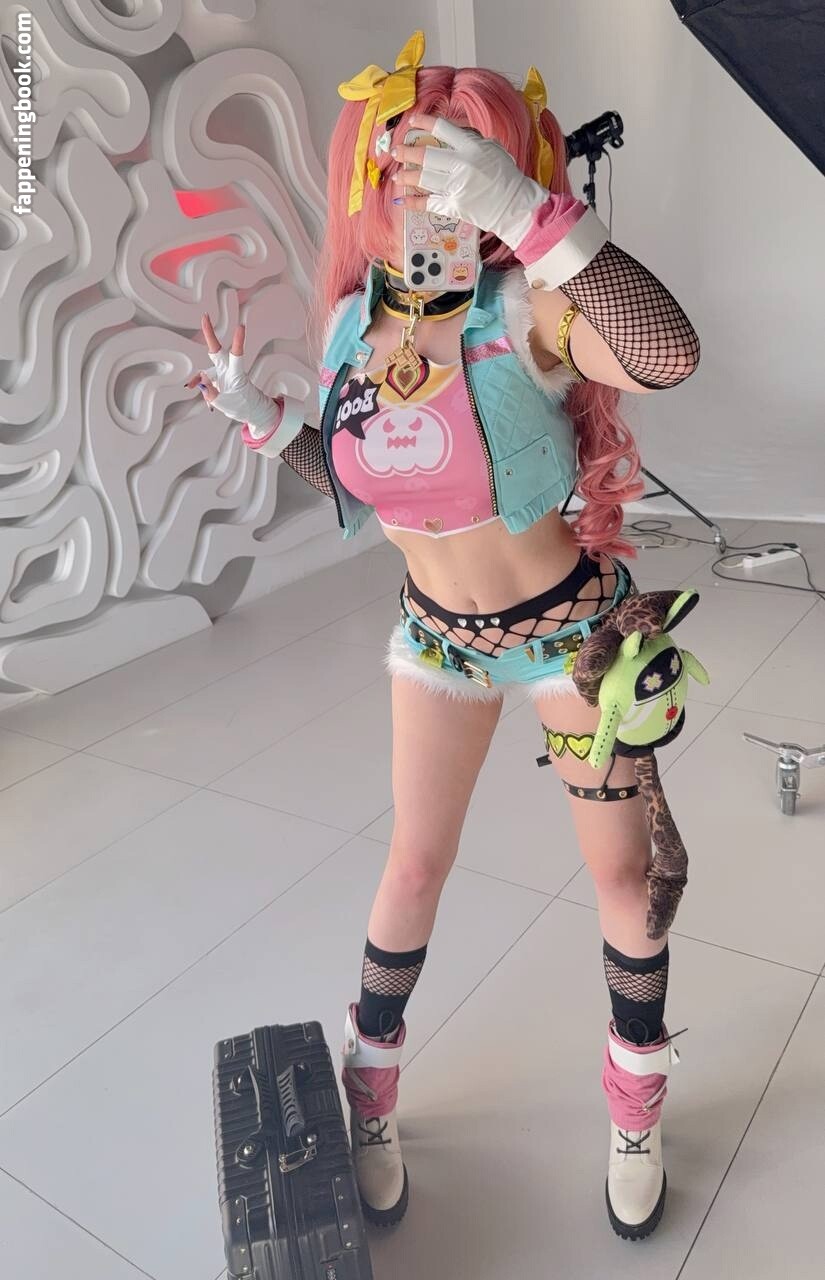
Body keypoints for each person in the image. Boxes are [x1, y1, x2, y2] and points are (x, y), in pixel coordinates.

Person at [186, 32, 700, 1242]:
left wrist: (529, 215)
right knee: (413, 866)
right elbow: (374, 484)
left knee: (624, 877)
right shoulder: (349, 330)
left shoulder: (527, 305)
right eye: (412, 163)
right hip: (439, 640)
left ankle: (636, 1104)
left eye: (461, 161)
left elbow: (667, 353)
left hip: (573, 636)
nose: (430, 191)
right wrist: (264, 422)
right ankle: (370, 1090)